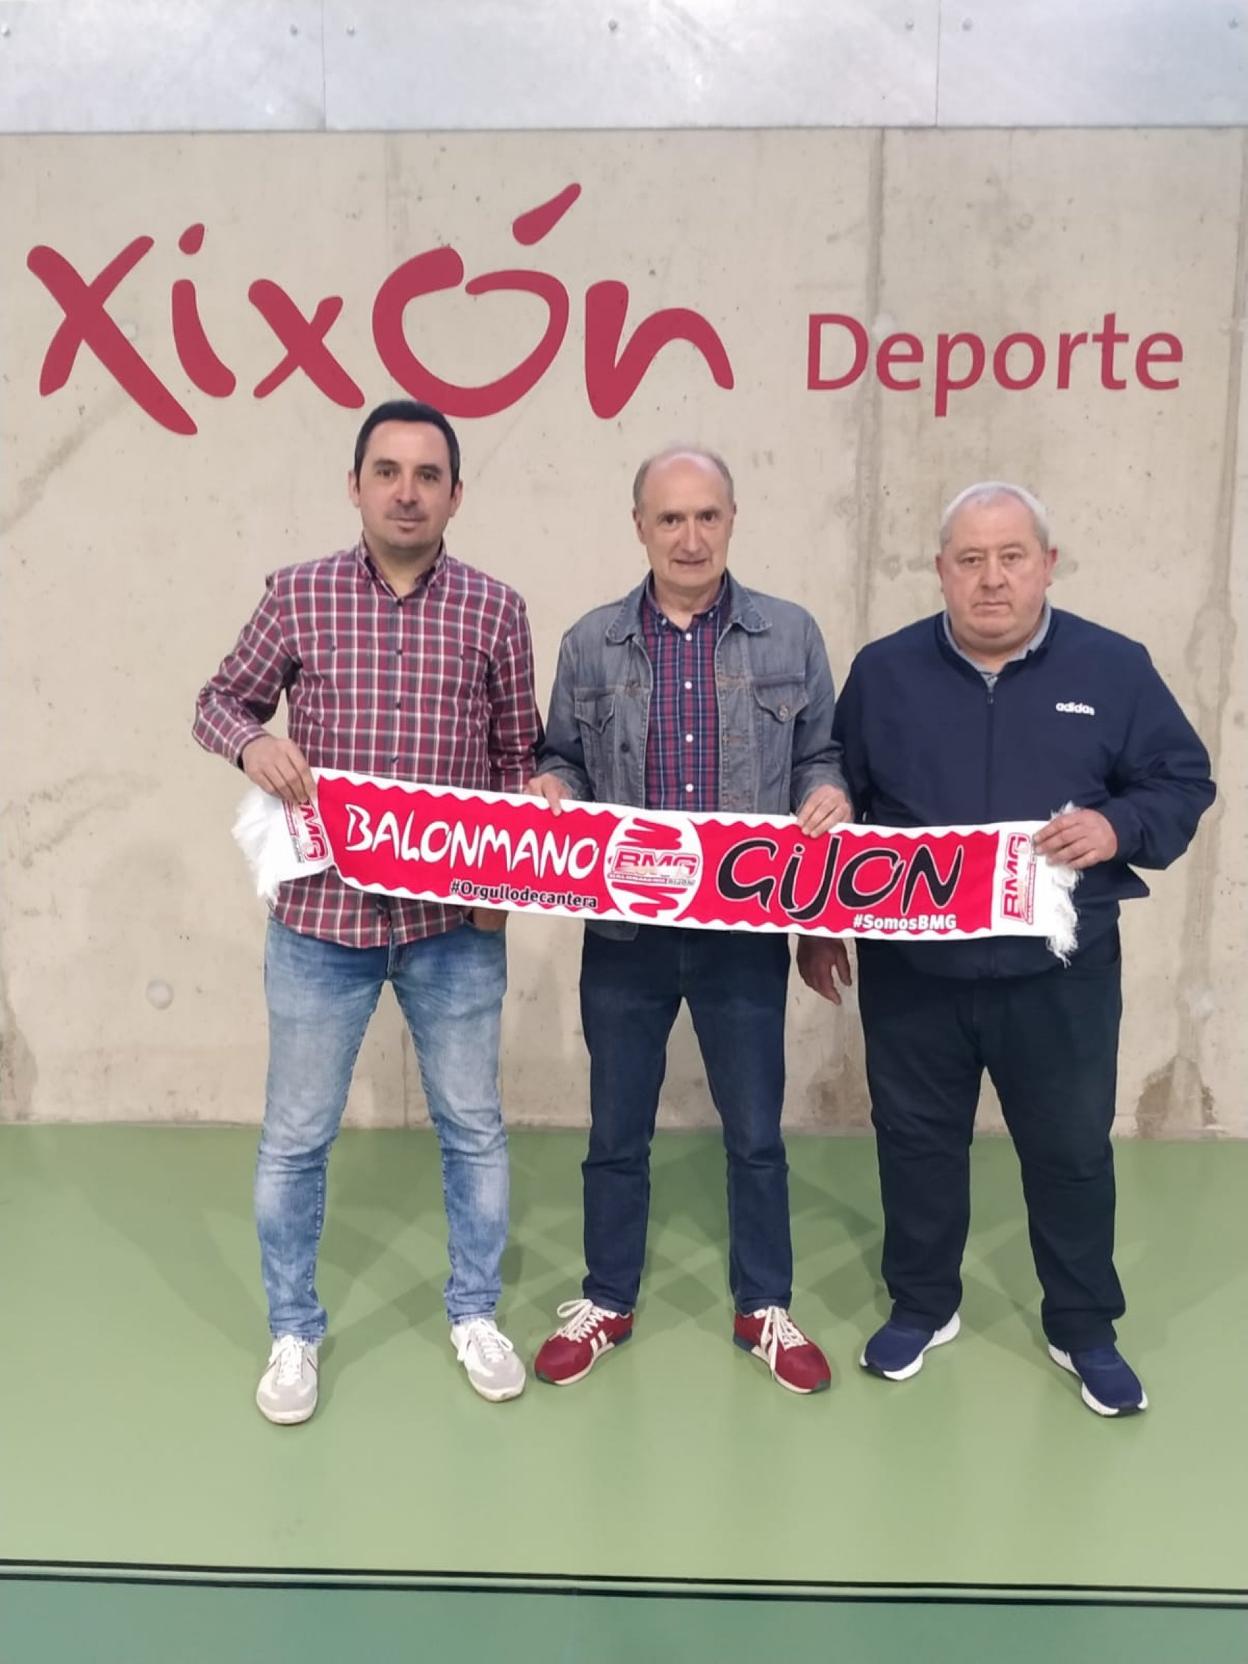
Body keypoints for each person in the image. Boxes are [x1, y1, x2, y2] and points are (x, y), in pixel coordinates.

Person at [799, 481, 1215, 1416]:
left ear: (1047, 566)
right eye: (971, 560)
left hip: (1060, 974)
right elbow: (838, 798)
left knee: (1070, 1153)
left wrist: (1116, 826)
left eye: (1012, 557)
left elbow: (1183, 781)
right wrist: (820, 922)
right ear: (941, 571)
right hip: (915, 972)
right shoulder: (885, 672)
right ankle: (923, 1305)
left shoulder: (1114, 667)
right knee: (916, 1146)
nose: (992, 579)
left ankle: (1083, 1326)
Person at [193, 399, 541, 1421]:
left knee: (473, 1129)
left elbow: (518, 760)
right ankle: (292, 1331)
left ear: (455, 495)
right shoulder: (297, 595)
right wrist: (253, 742)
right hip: (320, 923)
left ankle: (475, 1313)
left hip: (452, 931)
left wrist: (501, 898)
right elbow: (219, 701)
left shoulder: (496, 609)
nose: (406, 491)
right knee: (296, 1138)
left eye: (427, 475)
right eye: (386, 471)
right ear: (355, 485)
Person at [527, 446, 851, 1394]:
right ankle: (607, 1299)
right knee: (614, 1132)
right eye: (670, 518)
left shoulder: (789, 635)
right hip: (624, 936)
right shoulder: (590, 643)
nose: (691, 536)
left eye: (707, 515)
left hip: (742, 936)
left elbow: (821, 754)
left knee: (755, 1133)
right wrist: (554, 785)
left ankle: (765, 1306)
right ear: (640, 527)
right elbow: (562, 756)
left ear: (733, 519)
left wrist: (828, 791)